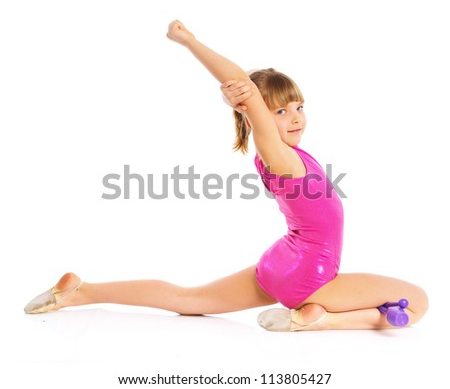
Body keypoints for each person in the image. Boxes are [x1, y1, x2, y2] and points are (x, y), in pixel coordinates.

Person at [24, 20, 428, 331]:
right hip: (309, 276)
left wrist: (238, 104)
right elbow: (246, 93)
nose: (295, 117)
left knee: (189, 299)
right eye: (280, 111)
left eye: (298, 106)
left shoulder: (286, 156)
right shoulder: (280, 157)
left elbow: (250, 101)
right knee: (418, 301)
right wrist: (190, 41)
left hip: (279, 265)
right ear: (257, 121)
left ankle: (80, 292)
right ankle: (319, 319)